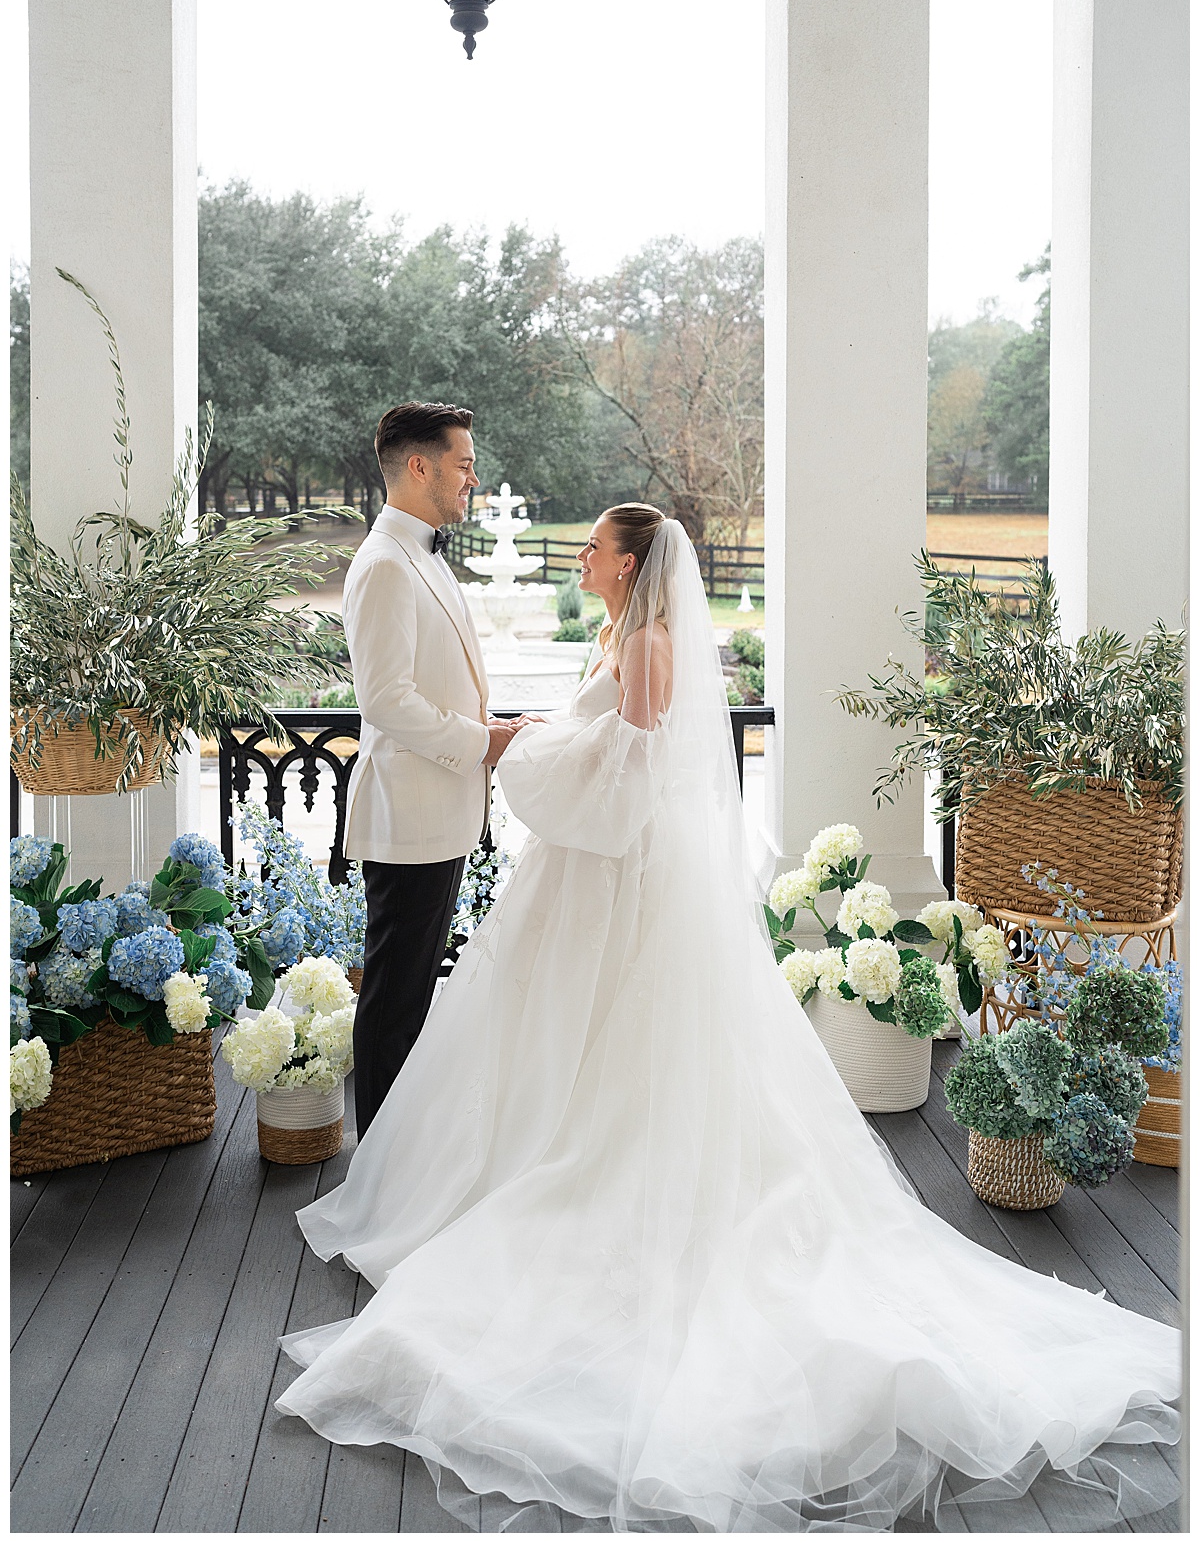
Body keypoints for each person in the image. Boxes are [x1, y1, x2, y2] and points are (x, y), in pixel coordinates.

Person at [277, 505, 1181, 1531]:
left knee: (630, 1046)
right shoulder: (623, 633)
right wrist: (548, 741)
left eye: (591, 548)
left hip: (629, 871)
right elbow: (611, 737)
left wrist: (530, 758)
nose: (579, 557)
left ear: (626, 563)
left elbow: (636, 761)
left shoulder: (651, 640)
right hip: (591, 870)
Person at [339, 401, 522, 1139]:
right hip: (409, 820)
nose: (473, 476)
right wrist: (483, 743)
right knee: (393, 1000)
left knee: (412, 996)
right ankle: (375, 1174)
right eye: (464, 462)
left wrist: (492, 730)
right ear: (421, 467)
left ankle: (397, 1158)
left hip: (440, 815)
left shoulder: (421, 552)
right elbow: (386, 701)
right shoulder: (385, 564)